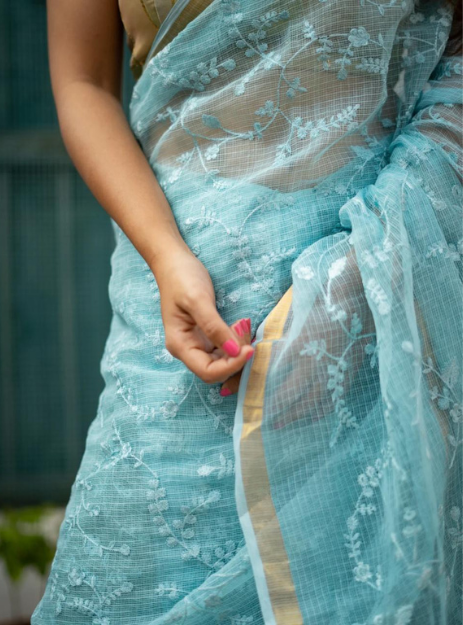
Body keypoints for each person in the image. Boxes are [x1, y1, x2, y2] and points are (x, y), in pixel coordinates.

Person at [33, 1, 462, 623]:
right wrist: (165, 255)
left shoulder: (369, 288)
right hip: (175, 322)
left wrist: (358, 289)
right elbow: (83, 82)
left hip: (380, 300)